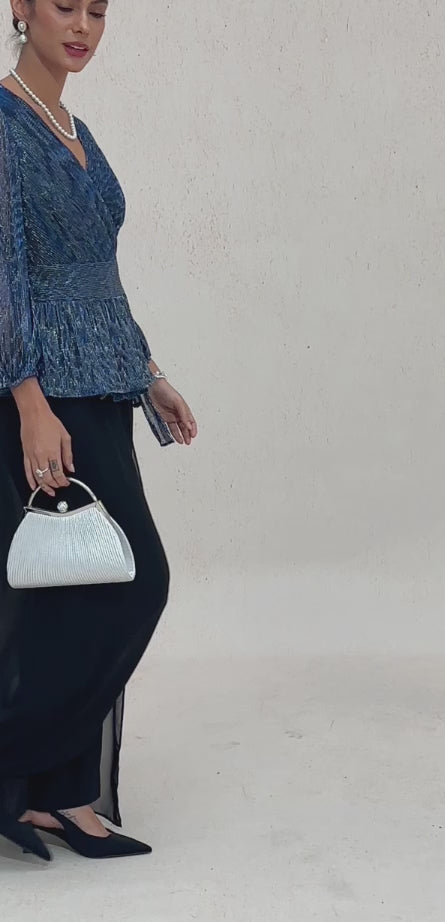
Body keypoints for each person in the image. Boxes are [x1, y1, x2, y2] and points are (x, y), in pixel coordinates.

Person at [0, 0, 197, 861]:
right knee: (134, 582)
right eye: (64, 5)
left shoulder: (76, 129)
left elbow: (99, 275)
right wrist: (28, 401)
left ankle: (62, 795)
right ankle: (14, 767)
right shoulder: (4, 125)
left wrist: (149, 373)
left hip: (103, 385)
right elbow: (3, 273)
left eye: (97, 11)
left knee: (79, 598)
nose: (81, 26)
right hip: (45, 395)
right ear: (20, 7)